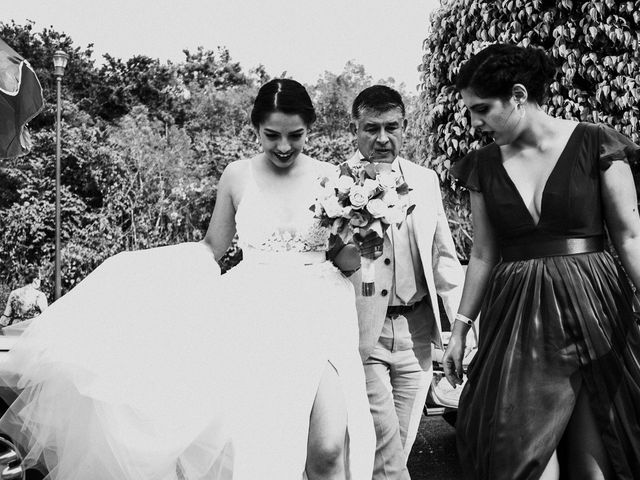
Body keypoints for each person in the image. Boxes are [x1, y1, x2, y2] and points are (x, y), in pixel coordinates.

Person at [0, 79, 375, 480]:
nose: (283, 147)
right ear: (255, 129)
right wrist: (144, 278)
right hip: (256, 317)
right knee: (265, 447)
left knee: (329, 448)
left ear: (310, 129)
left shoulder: (334, 178)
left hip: (320, 314)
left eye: (295, 135)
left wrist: (364, 246)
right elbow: (213, 248)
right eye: (272, 136)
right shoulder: (237, 176)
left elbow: (343, 258)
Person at [443, 43, 640, 480]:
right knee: (521, 459)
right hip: (518, 320)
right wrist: (459, 329)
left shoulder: (596, 143)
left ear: (517, 95)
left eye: (482, 109)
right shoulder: (482, 165)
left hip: (596, 309)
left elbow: (629, 237)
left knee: (599, 458)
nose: (474, 123)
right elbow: (482, 253)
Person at [343, 85, 464, 479]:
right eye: (371, 128)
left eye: (391, 127)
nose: (382, 139)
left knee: (399, 445)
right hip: (364, 333)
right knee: (385, 451)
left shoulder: (425, 180)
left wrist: (463, 330)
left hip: (419, 334)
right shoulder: (336, 184)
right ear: (355, 129)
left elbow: (444, 258)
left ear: (405, 127)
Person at [0, 268, 48, 332]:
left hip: (15, 329)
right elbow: (46, 317)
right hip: (31, 331)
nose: (40, 281)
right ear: (35, 279)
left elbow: (6, 315)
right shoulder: (39, 296)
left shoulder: (14, 293)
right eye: (40, 278)